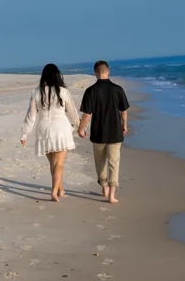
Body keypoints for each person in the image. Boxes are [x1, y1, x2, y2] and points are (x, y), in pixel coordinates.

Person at [20, 63, 81, 202]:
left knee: (53, 164)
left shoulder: (36, 92)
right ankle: (54, 191)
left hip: (43, 129)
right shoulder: (63, 91)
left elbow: (31, 115)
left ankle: (60, 190)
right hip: (60, 128)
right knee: (59, 164)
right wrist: (79, 126)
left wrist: (25, 133)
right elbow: (72, 112)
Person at [77, 60, 130, 203]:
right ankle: (112, 195)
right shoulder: (117, 89)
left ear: (95, 73)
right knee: (114, 163)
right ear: (108, 71)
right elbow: (123, 111)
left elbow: (87, 114)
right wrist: (124, 125)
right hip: (115, 132)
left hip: (98, 133)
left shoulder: (90, 91)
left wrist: (80, 129)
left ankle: (104, 185)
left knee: (100, 162)